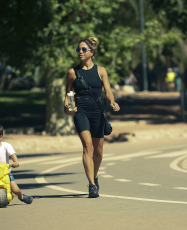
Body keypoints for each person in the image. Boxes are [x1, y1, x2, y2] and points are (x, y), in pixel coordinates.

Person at [64, 37, 120, 198]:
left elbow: (108, 90)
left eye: (83, 49)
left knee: (99, 152)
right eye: (78, 50)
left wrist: (112, 102)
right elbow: (68, 93)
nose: (80, 52)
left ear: (92, 52)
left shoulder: (101, 70)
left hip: (98, 112)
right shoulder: (72, 72)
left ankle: (95, 177)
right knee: (88, 147)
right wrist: (68, 107)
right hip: (81, 111)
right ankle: (91, 185)